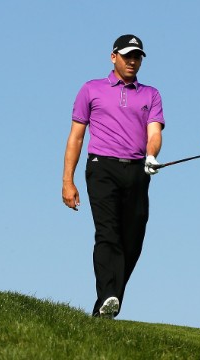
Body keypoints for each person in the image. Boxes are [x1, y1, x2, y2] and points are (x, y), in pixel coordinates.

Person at [62, 34, 165, 319]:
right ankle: (109, 294)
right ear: (113, 57)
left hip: (137, 170)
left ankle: (105, 306)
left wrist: (151, 155)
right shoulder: (90, 89)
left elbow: (154, 133)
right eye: (128, 55)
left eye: (138, 57)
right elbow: (76, 138)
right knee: (108, 233)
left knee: (133, 239)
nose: (133, 61)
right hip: (101, 168)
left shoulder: (151, 94)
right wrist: (67, 181)